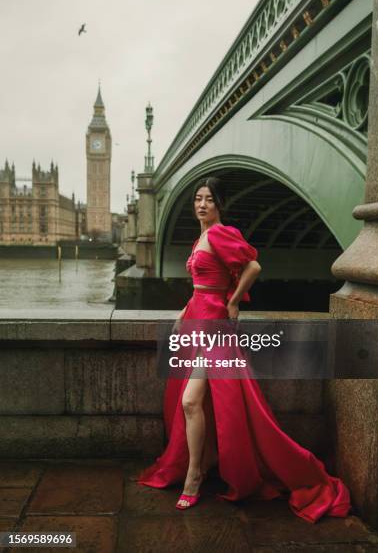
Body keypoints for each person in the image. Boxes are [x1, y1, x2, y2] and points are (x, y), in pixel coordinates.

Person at [137, 176, 352, 522]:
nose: (201, 204)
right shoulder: (202, 237)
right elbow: (201, 285)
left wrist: (234, 302)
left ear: (220, 204)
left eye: (208, 199)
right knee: (195, 402)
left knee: (191, 401)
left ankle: (194, 477)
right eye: (197, 199)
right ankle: (202, 465)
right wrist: (183, 312)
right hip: (198, 320)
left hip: (216, 326)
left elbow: (253, 266)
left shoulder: (220, 233)